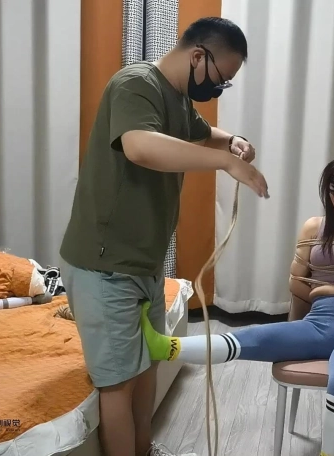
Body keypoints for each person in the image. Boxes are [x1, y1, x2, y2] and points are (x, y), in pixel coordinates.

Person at [59, 17, 269, 456]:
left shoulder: (176, 99)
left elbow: (200, 132)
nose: (218, 89)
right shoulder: (135, 84)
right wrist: (225, 163)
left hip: (145, 264)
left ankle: (144, 448)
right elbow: (140, 145)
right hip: (105, 265)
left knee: (148, 367)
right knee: (118, 384)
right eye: (221, 79)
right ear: (198, 56)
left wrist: (232, 141)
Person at [140, 153, 334, 456]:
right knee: (252, 337)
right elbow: (295, 284)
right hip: (319, 323)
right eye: (333, 189)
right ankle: (166, 347)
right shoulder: (314, 229)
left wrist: (328, 286)